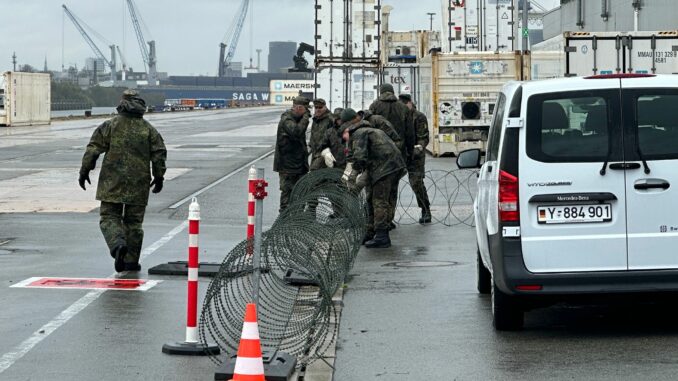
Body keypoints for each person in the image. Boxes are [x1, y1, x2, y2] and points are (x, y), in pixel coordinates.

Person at [79, 89, 167, 273]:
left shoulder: (110, 126)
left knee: (109, 217)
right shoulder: (148, 129)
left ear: (122, 103)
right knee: (134, 223)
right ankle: (131, 262)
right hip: (139, 183)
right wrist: (159, 176)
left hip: (112, 183)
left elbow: (93, 149)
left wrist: (85, 170)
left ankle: (117, 244)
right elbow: (159, 153)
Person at [341, 108, 406, 248]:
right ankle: (371, 232)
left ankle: (382, 236)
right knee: (374, 199)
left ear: (347, 125)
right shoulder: (372, 130)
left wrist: (352, 176)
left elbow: (360, 158)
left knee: (379, 201)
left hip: (384, 168)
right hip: (395, 166)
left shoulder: (359, 133)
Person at [273, 96, 310, 212]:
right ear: (298, 108)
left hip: (298, 164)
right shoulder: (287, 120)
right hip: (287, 166)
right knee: (287, 193)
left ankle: (297, 218)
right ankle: (284, 220)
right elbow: (296, 132)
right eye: (306, 110)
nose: (307, 113)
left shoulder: (296, 119)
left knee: (300, 192)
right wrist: (305, 119)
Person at [399, 94, 432, 223]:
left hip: (415, 155)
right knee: (390, 185)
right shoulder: (399, 116)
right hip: (401, 153)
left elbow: (423, 136)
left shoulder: (419, 117)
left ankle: (425, 209)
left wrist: (419, 148)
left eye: (405, 104)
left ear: (410, 103)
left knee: (416, 183)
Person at [308, 98, 335, 171]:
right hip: (315, 152)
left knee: (316, 172)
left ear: (325, 107)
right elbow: (313, 134)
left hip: (326, 153)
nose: (318, 109)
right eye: (316, 107)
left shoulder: (330, 119)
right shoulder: (316, 119)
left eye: (320, 107)